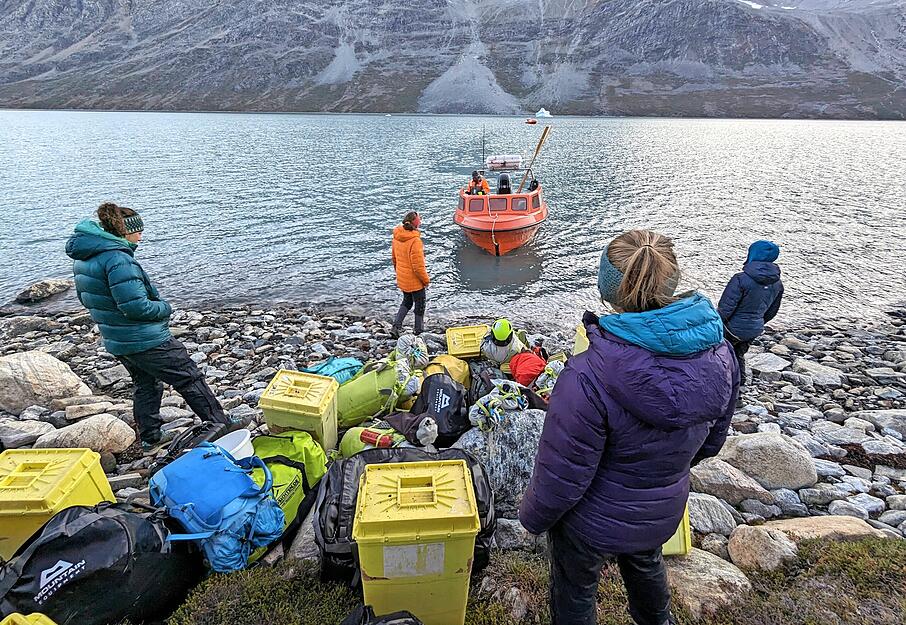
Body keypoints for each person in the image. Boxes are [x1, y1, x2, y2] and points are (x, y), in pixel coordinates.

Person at [519, 229, 739, 625]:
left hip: (591, 522)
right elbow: (711, 442)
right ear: (671, 279)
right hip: (660, 510)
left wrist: (533, 519)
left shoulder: (587, 373)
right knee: (646, 565)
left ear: (609, 290)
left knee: (575, 593)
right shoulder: (720, 354)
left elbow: (563, 474)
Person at [65, 203, 242, 451]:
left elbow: (86, 299)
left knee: (146, 384)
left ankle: (150, 437)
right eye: (138, 231)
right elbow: (136, 307)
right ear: (123, 231)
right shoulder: (118, 259)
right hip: (145, 339)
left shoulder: (86, 258)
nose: (141, 236)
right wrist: (165, 308)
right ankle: (222, 425)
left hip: (117, 339)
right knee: (189, 377)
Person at [718, 240, 784, 386]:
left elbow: (725, 308)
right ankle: (739, 388)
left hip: (731, 328)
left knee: (721, 355)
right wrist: (758, 322)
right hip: (754, 328)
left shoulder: (740, 279)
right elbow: (772, 311)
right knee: (738, 354)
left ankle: (723, 388)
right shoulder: (777, 283)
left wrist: (716, 324)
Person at [390, 211, 430, 337]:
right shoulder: (415, 240)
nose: (421, 221)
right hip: (414, 280)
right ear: (415, 223)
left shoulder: (397, 236)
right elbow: (418, 266)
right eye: (419, 219)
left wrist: (399, 273)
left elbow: (394, 258)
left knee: (407, 301)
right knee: (420, 304)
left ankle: (396, 326)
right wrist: (426, 280)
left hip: (402, 276)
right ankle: (418, 331)